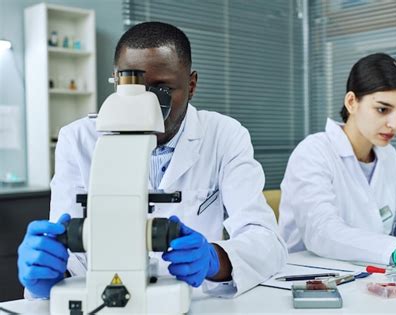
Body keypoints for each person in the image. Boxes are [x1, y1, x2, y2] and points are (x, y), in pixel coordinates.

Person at [17, 21, 287, 299]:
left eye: (162, 90)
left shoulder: (224, 135)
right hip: (109, 300)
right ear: (116, 79)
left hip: (196, 300)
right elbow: (72, 249)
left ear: (191, 85)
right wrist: (50, 272)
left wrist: (215, 259)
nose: (145, 104)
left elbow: (266, 240)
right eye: (134, 87)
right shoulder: (78, 139)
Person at [278, 53, 396, 268]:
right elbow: (321, 232)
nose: (395, 123)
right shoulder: (313, 152)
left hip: (371, 272)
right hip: (310, 275)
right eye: (383, 109)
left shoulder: (388, 154)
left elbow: (393, 217)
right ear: (352, 102)